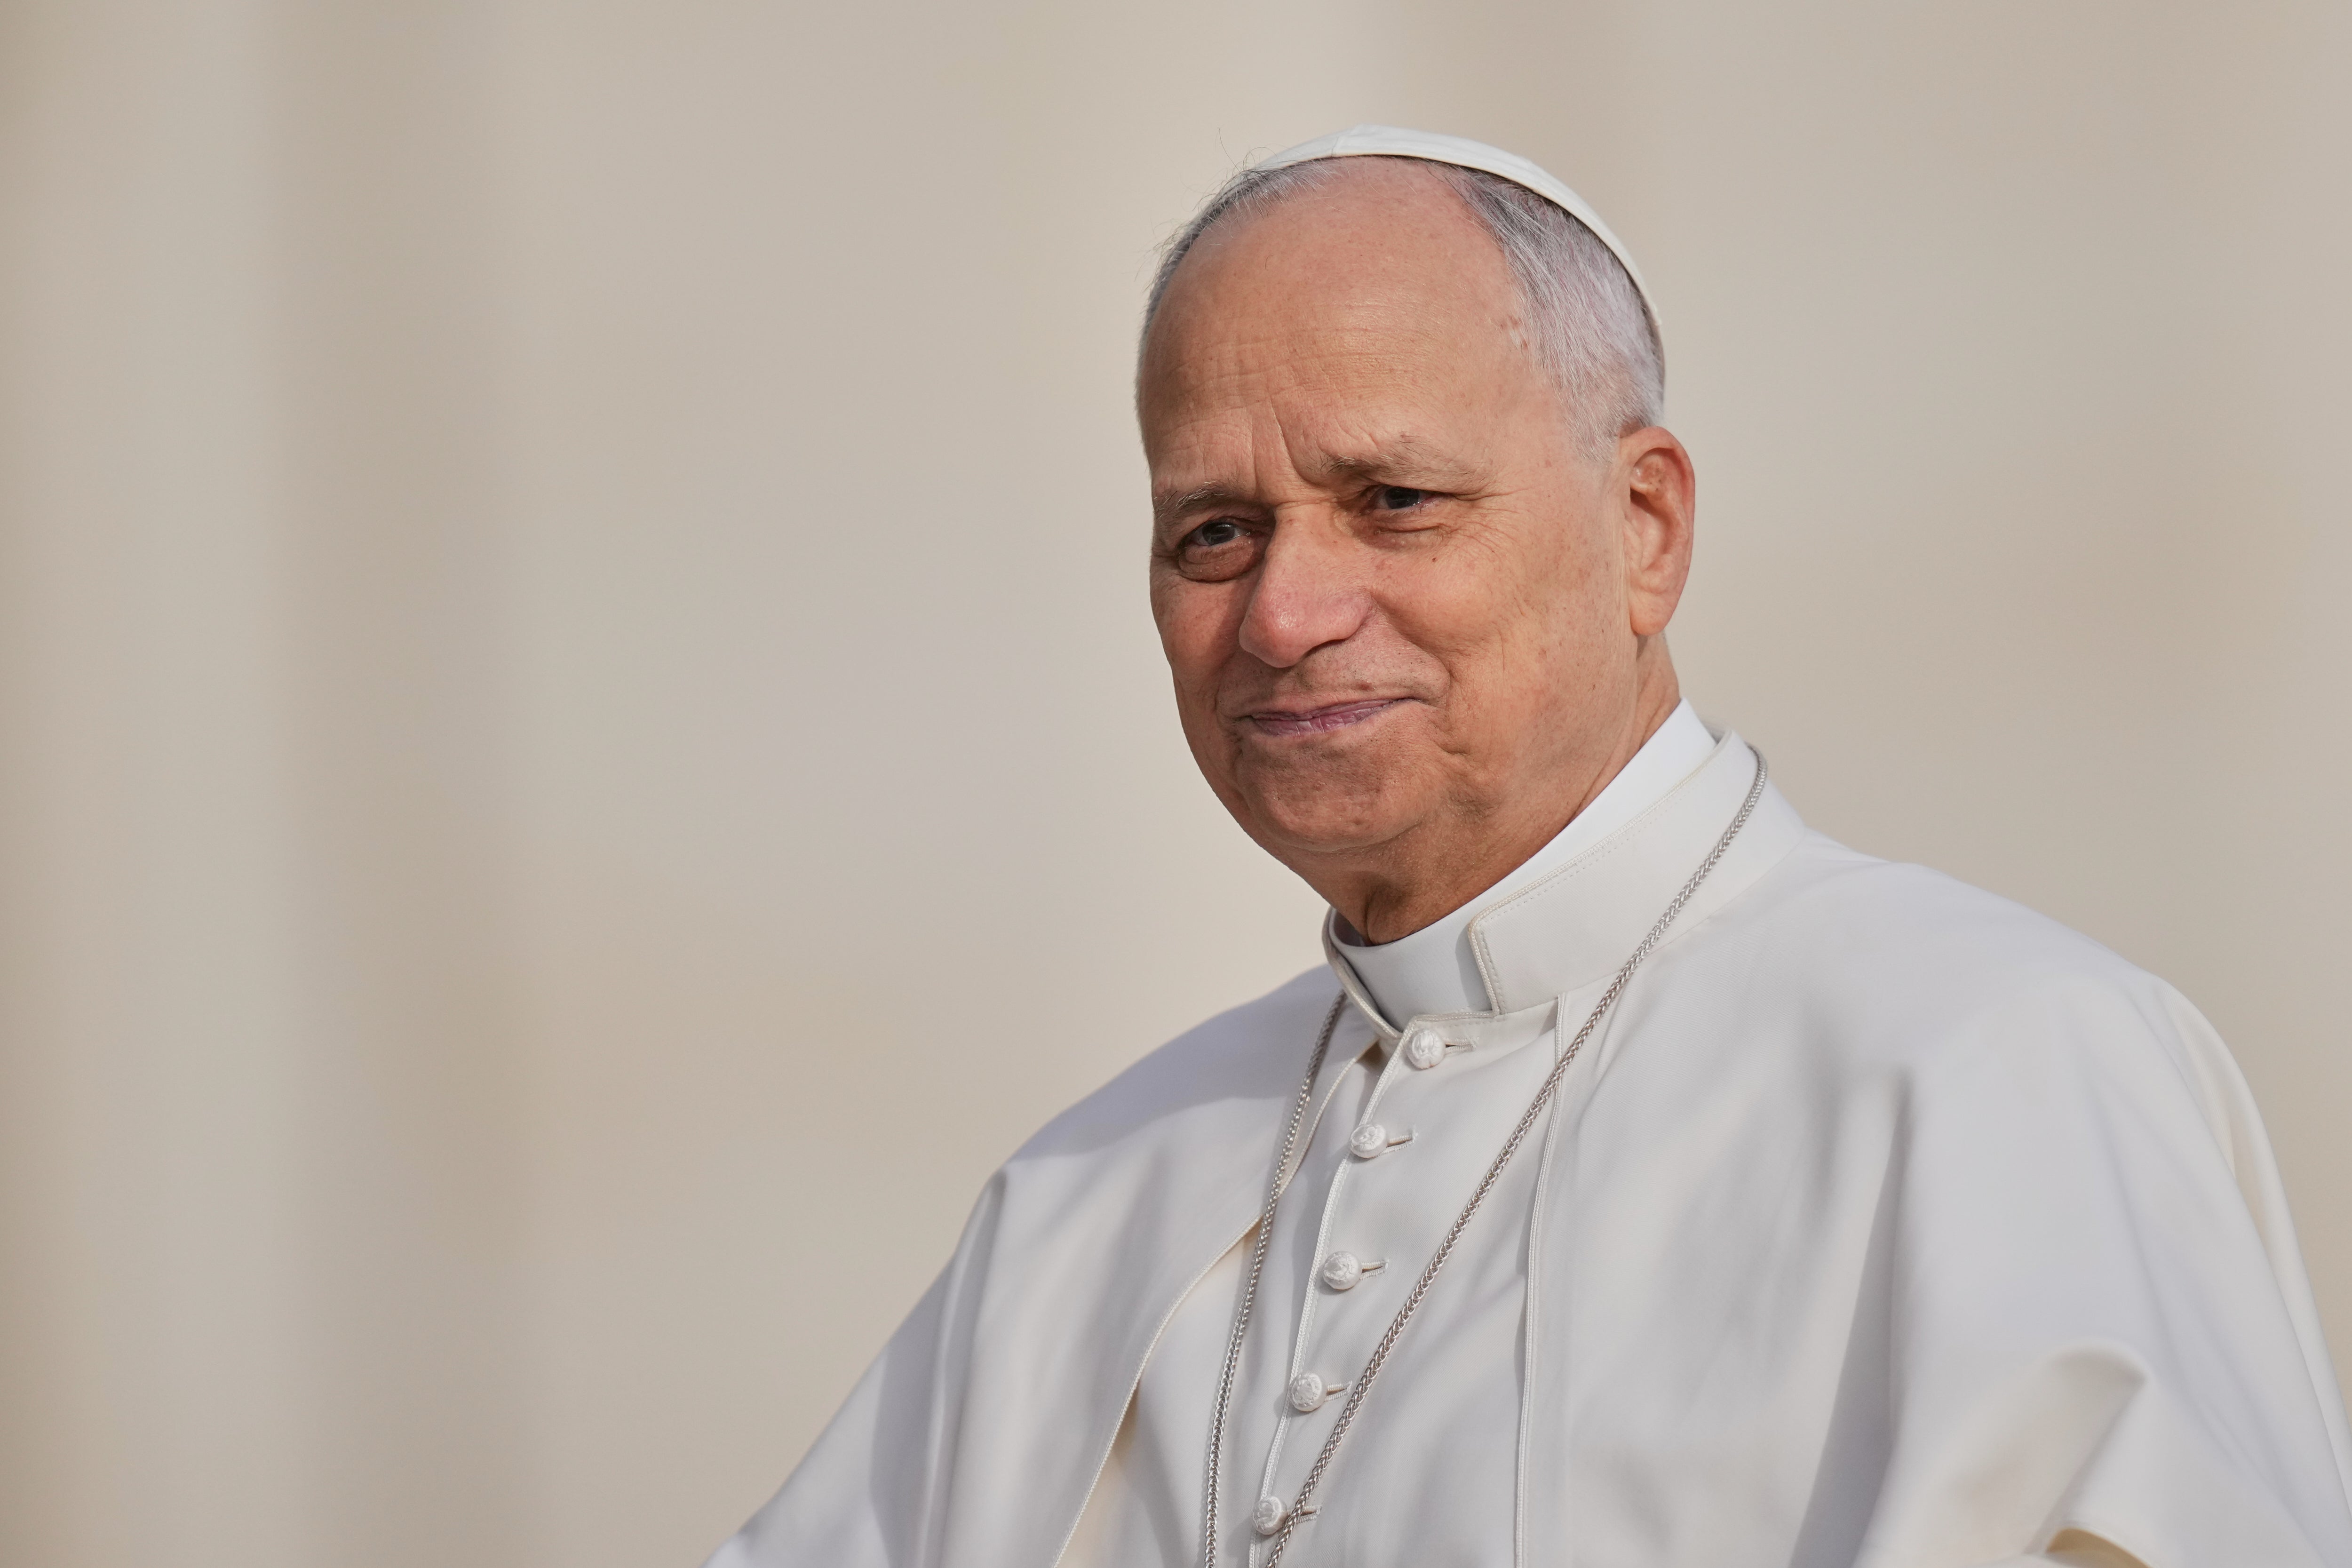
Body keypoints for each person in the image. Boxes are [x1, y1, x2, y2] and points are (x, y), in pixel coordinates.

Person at [704, 127, 2352, 1568]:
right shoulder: (1094, 1190)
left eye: (1394, 502)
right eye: (1216, 531)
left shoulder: (1999, 1068)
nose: (1284, 613)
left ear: (1645, 528)